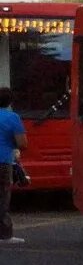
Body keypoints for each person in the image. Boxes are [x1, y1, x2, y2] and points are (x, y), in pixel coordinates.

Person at [0, 86, 28, 245]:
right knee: (3, 197)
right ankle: (5, 234)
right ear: (10, 101)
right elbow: (23, 144)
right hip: (3, 161)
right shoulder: (13, 118)